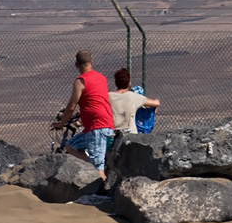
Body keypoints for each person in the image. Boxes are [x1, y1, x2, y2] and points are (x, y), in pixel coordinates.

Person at [51, 49, 113, 181]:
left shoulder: (81, 81)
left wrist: (61, 123)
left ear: (76, 65)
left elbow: (71, 106)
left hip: (97, 126)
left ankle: (101, 194)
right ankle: (90, 163)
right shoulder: (101, 78)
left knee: (98, 166)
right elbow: (96, 99)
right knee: (70, 145)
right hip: (103, 122)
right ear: (91, 62)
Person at [108, 67, 160, 135]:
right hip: (131, 134)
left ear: (116, 83)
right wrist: (156, 100)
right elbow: (156, 103)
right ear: (129, 83)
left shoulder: (108, 96)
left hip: (112, 133)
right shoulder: (133, 97)